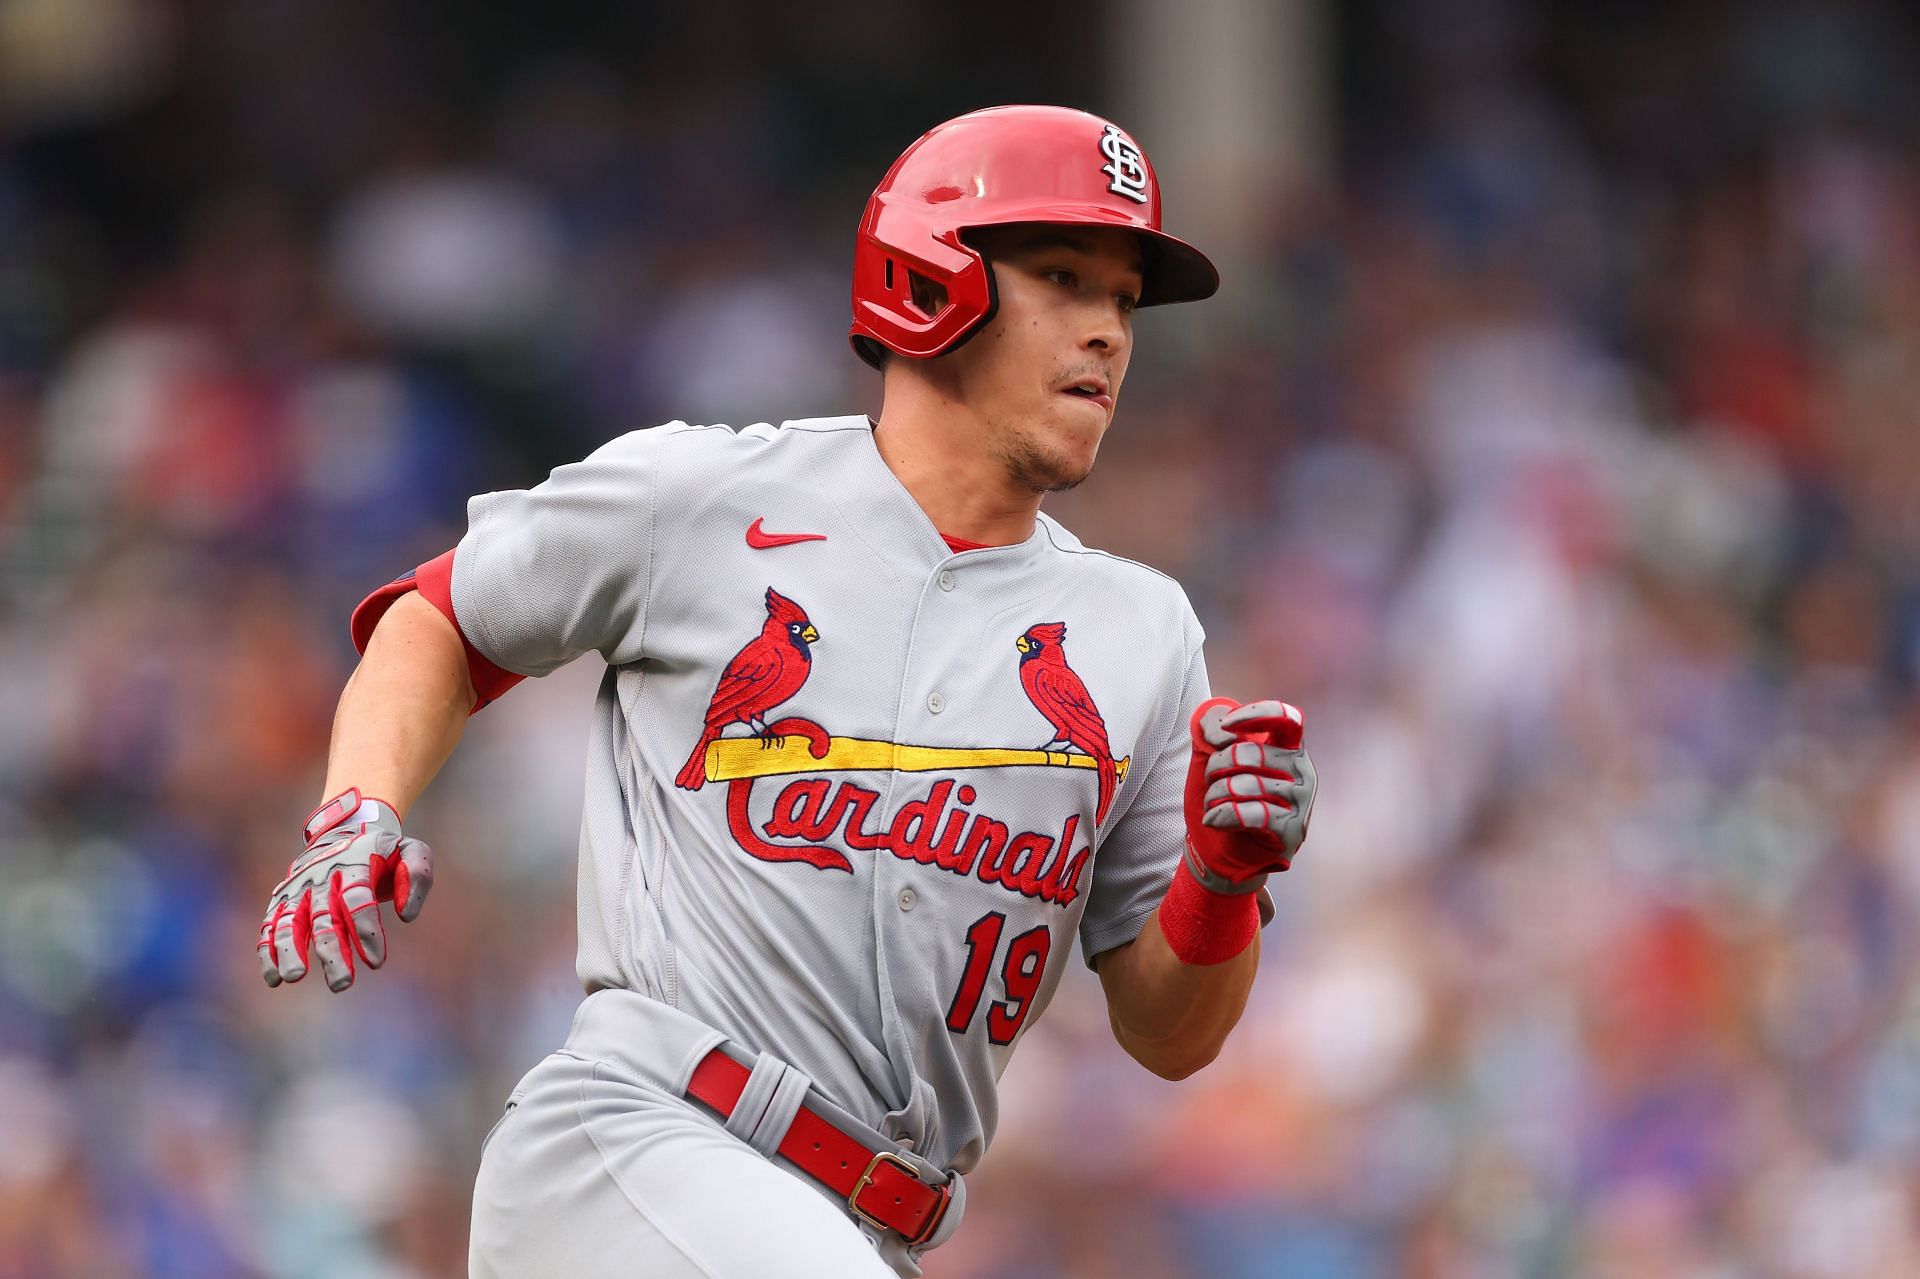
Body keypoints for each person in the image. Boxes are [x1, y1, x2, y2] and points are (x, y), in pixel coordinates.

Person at [256, 104, 1318, 1278]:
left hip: (869, 1225)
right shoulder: (704, 495)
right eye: (1064, 277)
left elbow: (1171, 1034)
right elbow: (441, 620)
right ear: (928, 280)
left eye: (1123, 299)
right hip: (643, 1144)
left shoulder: (1145, 633)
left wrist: (1220, 878)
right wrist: (363, 806)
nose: (1110, 332)